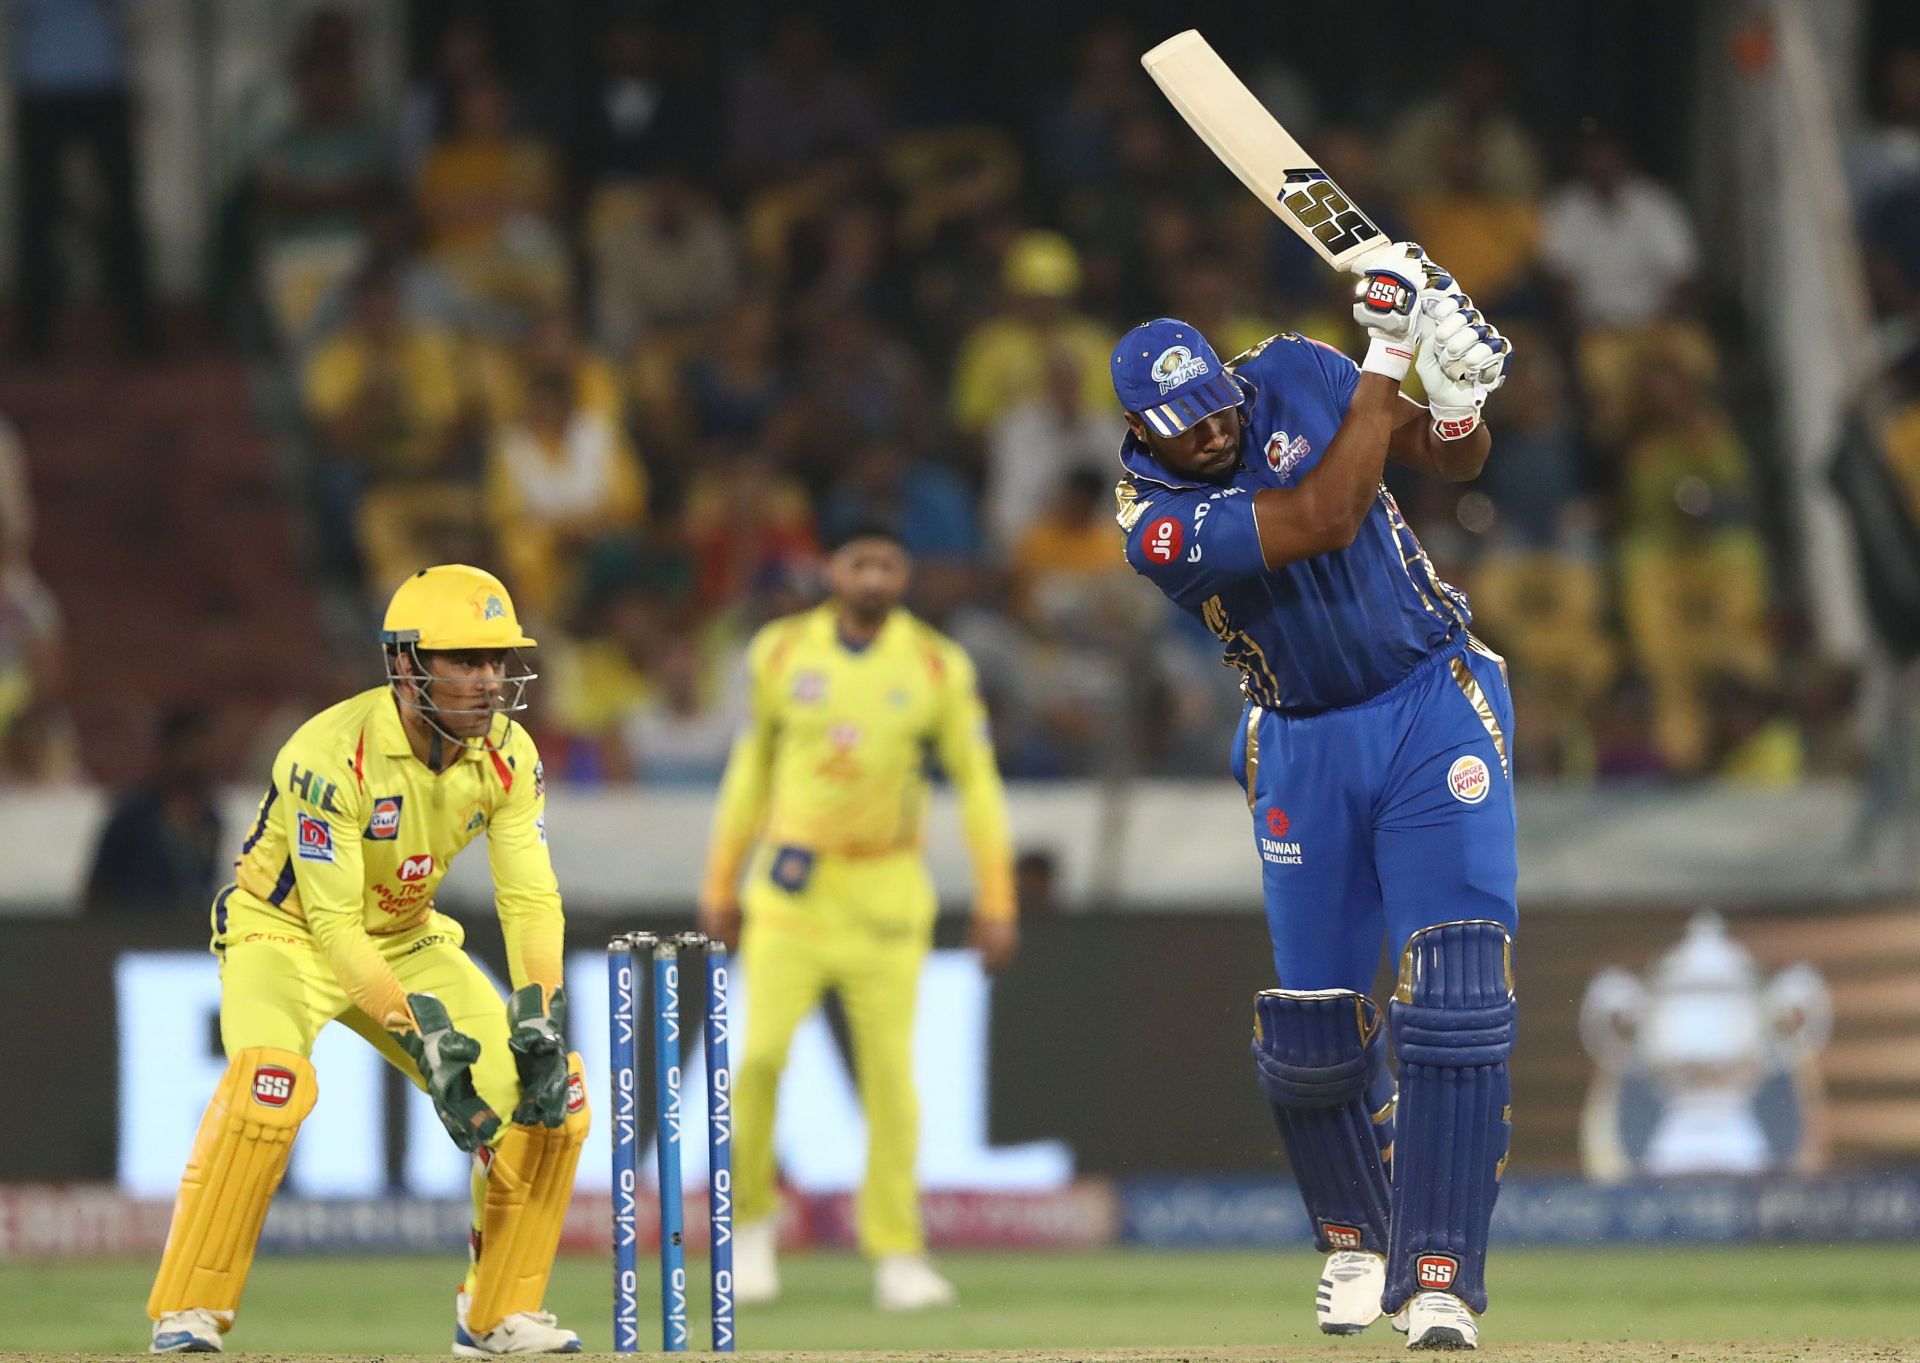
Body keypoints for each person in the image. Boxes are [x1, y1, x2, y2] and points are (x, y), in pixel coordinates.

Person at [1109, 245, 1515, 1349]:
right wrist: (1391, 345)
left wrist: (1458, 387)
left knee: (1458, 989)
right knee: (1314, 1033)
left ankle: (1438, 1277)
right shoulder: (1152, 519)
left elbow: (1446, 458)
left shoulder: (1288, 366)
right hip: (1300, 740)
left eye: (1215, 406)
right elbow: (1329, 514)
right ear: (1139, 435)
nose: (1212, 431)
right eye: (1181, 425)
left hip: (1432, 695)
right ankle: (1356, 1239)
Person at [144, 565, 587, 1356]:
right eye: (467, 660)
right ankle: (188, 1312)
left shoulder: (509, 753)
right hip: (285, 933)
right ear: (408, 665)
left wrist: (542, 1007)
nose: (491, 682)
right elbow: (335, 927)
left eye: (498, 661)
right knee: (267, 1091)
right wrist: (421, 1039)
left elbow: (530, 899)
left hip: (406, 934)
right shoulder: (328, 754)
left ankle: (493, 1316)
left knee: (554, 1097)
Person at [697, 524, 1018, 1312]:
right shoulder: (778, 651)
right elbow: (749, 772)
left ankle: (898, 1251)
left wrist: (997, 897)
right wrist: (719, 881)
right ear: (834, 569)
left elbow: (977, 784)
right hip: (793, 891)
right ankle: (756, 1230)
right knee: (760, 1059)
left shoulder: (938, 664)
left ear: (903, 573)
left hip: (886, 895)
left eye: (888, 562)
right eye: (859, 561)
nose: (873, 576)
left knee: (891, 1084)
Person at [84, 704, 224, 916]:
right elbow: (98, 888)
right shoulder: (133, 816)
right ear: (171, 750)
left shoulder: (210, 820)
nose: (201, 759)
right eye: (192, 748)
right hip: (132, 930)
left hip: (184, 937)